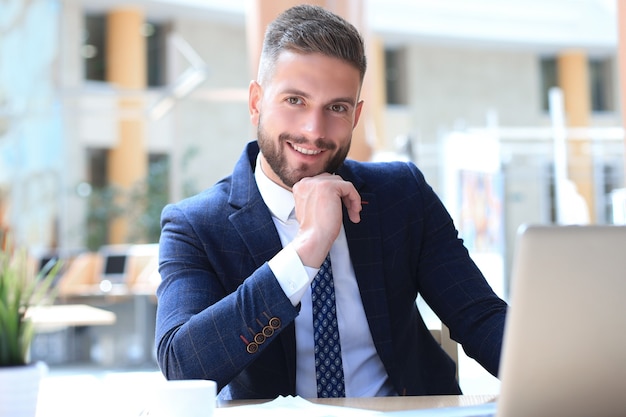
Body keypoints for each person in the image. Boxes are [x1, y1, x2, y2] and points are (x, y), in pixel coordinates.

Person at [155, 4, 508, 401]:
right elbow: (182, 366)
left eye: (336, 108)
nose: (314, 130)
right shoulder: (196, 225)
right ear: (256, 102)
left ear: (356, 115)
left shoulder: (401, 195)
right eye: (295, 101)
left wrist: (566, 375)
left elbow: (479, 317)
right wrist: (307, 249)